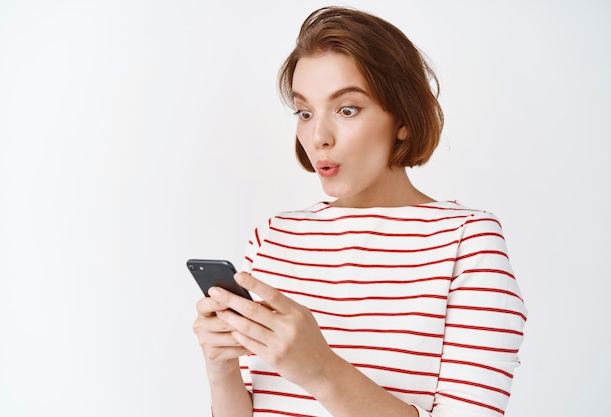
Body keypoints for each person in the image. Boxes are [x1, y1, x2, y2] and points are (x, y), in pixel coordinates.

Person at [193, 6, 526, 417]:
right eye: (305, 112)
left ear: (402, 118)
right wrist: (221, 369)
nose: (319, 137)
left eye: (347, 109)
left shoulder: (467, 242)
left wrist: (320, 370)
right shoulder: (274, 237)